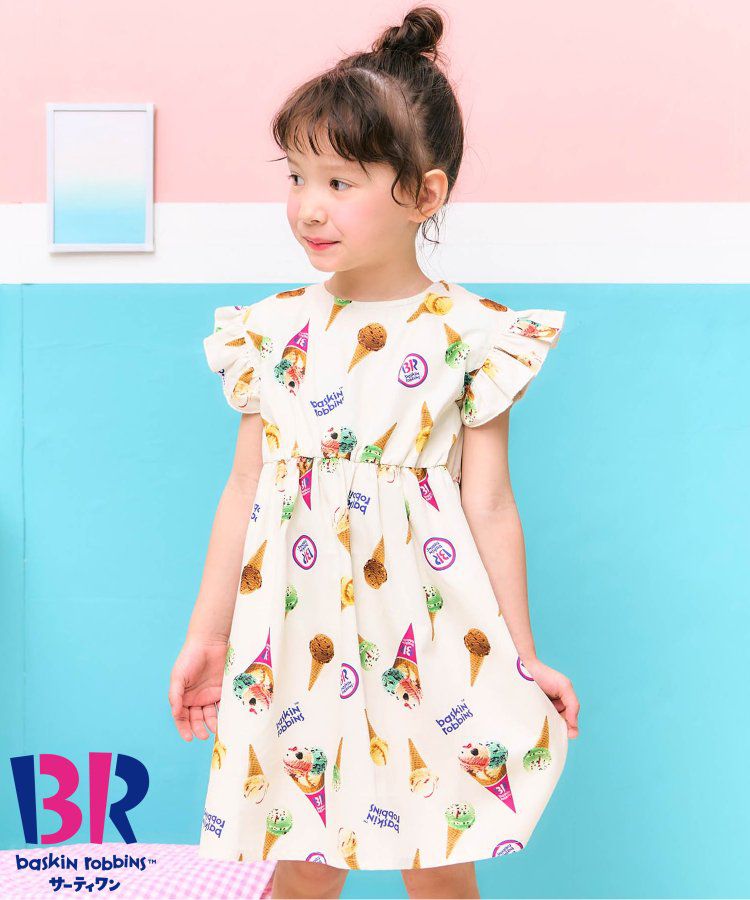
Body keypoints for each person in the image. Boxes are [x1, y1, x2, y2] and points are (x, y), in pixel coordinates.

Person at [169, 6, 580, 898]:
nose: (308, 206)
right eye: (297, 176)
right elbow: (244, 487)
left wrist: (520, 656)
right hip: (294, 627)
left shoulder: (471, 334)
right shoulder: (271, 330)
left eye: (340, 181)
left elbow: (489, 503)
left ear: (425, 195)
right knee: (300, 857)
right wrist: (208, 633)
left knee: (437, 856)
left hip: (426, 632)